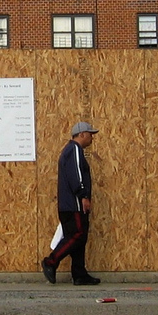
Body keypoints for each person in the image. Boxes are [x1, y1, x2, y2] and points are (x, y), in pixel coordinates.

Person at [41, 122, 101, 286]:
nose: (92, 138)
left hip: (69, 204)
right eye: (90, 134)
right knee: (77, 235)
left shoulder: (70, 150)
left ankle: (79, 274)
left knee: (79, 238)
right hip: (74, 204)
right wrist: (83, 195)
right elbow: (76, 174)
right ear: (81, 134)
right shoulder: (74, 149)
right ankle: (51, 261)